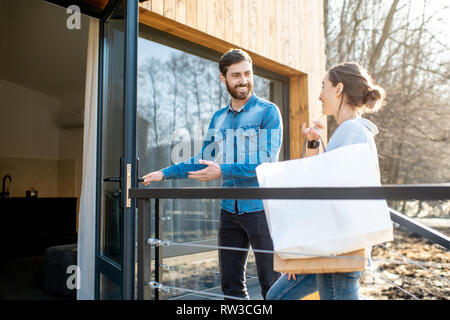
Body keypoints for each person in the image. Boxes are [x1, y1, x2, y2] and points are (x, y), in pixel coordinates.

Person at [142, 49, 282, 300]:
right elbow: (203, 159)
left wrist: (223, 170)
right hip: (229, 212)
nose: (243, 80)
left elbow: (266, 161)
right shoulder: (218, 118)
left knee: (271, 285)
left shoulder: (268, 112)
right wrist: (164, 173)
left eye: (248, 74)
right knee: (230, 286)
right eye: (236, 75)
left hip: (262, 210)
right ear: (223, 78)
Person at [266, 62, 386, 300]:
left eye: (324, 87)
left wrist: (298, 251)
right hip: (336, 245)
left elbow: (325, 194)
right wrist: (314, 145)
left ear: (339, 89)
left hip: (339, 248)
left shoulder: (350, 131)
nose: (320, 95)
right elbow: (327, 183)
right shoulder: (354, 131)